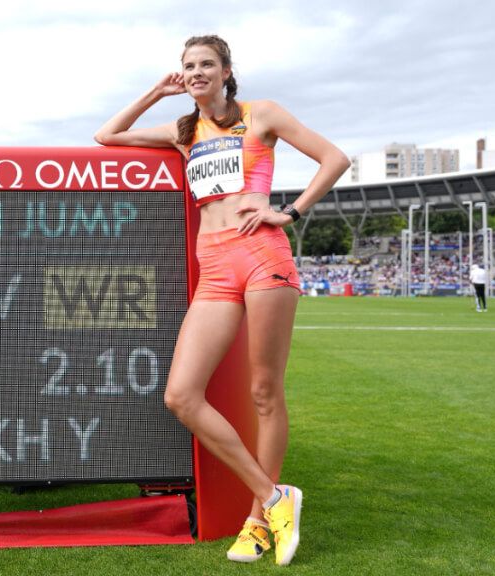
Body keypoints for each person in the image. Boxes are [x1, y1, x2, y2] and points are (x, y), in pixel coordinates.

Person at [95, 35, 349, 565]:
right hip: (214, 266)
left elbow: (334, 158)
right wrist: (155, 92)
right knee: (181, 395)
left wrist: (293, 211)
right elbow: (106, 135)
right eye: (187, 66)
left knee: (263, 392)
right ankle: (275, 495)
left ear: (227, 70)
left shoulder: (261, 115)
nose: (195, 72)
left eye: (205, 64)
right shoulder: (183, 129)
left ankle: (257, 525)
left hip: (262, 255)